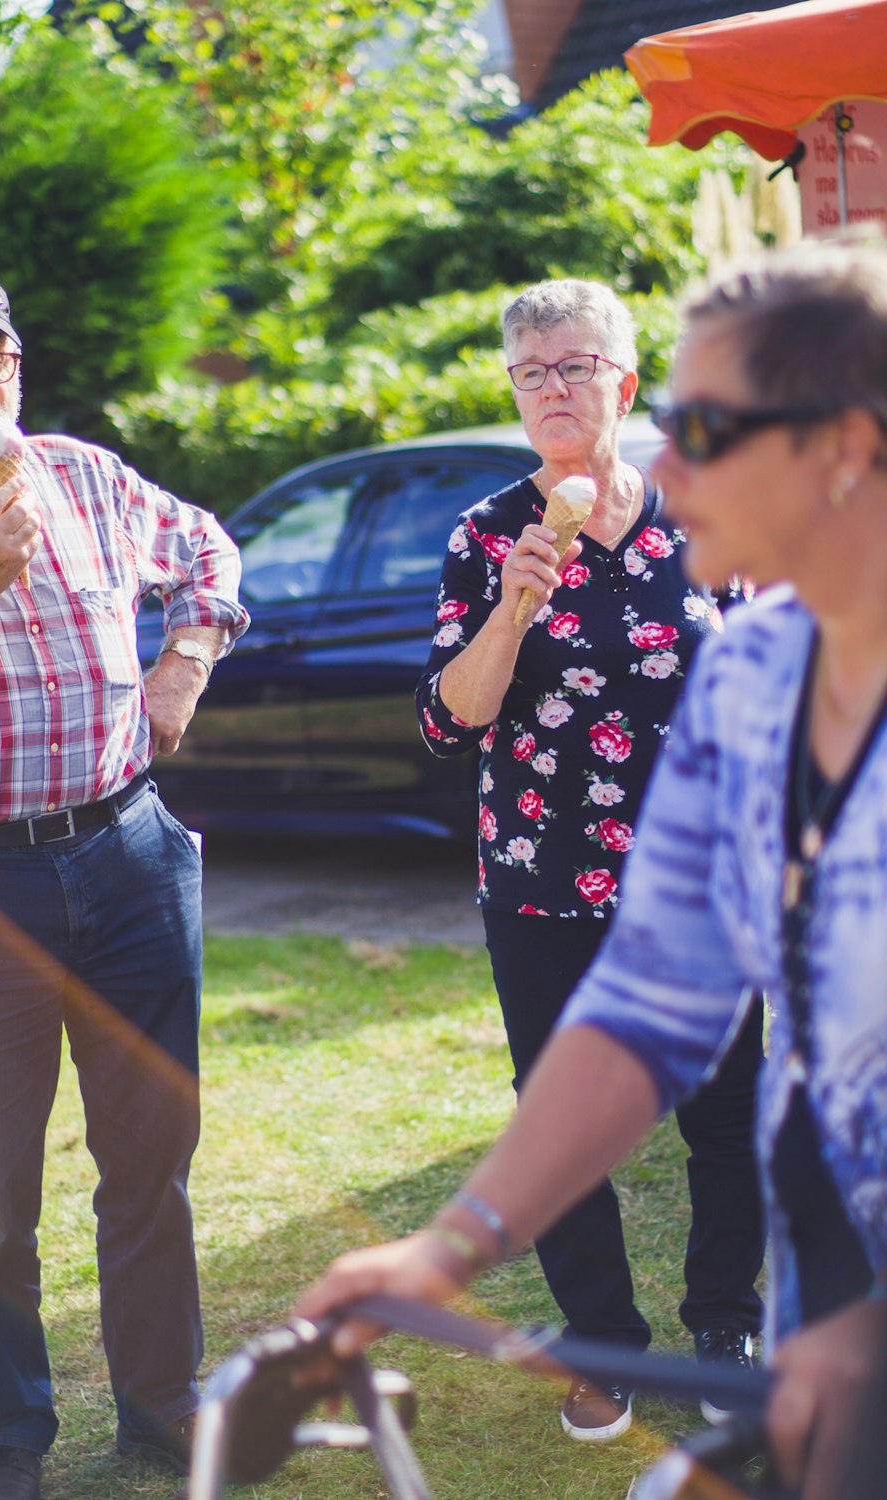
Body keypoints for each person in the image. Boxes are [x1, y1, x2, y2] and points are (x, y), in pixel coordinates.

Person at [295, 239, 887, 1500]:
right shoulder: (751, 670)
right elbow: (651, 1004)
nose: (664, 462)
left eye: (708, 423)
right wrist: (447, 1245)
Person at [0, 263, 249, 1500]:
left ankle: (162, 1407)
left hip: (131, 853)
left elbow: (207, 547)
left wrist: (183, 667)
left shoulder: (86, 476)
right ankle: (8, 1440)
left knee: (152, 1155)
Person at [413, 278, 764, 1439]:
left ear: (623, 382)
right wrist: (512, 609)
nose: (550, 390)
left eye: (571, 367)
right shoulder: (483, 537)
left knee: (726, 1110)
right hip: (544, 876)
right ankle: (604, 1346)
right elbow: (449, 721)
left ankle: (724, 1325)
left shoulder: (706, 512)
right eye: (529, 374)